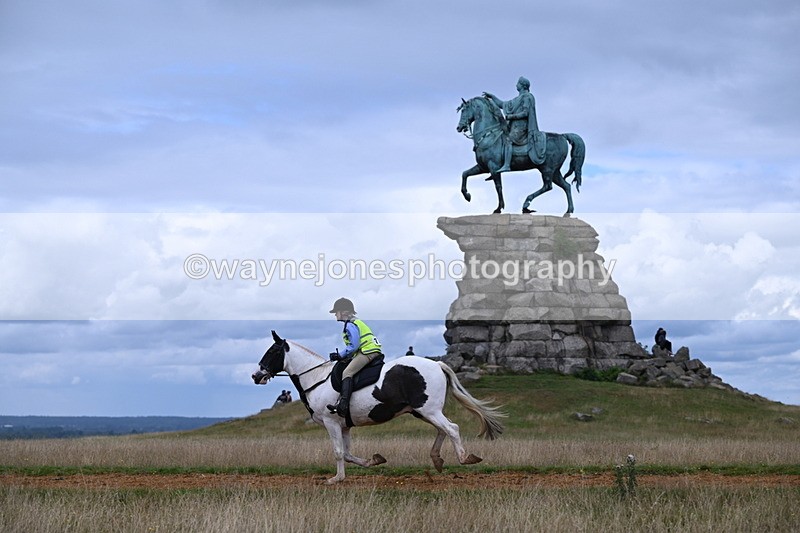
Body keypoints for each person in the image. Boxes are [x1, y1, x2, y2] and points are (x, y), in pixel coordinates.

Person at [327, 297, 383, 418]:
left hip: (367, 351)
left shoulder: (350, 325)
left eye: (336, 312)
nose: (335, 314)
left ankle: (343, 406)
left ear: (344, 312)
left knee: (347, 373)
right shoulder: (355, 322)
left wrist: (339, 355)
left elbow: (354, 345)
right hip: (370, 350)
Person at [482, 76, 544, 172]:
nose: (516, 85)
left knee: (508, 140)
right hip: (513, 127)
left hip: (521, 127)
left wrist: (511, 117)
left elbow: (525, 113)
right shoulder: (517, 99)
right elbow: (502, 104)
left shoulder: (527, 97)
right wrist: (492, 97)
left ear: (523, 85)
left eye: (518, 83)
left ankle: (507, 165)